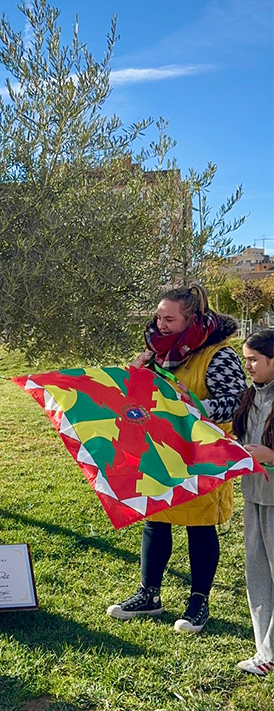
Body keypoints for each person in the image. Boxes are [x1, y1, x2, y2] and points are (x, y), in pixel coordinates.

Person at [106, 284, 247, 633]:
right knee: (156, 517)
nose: (161, 324)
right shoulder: (157, 351)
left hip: (203, 453)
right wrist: (134, 378)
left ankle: (198, 603)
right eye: (158, 317)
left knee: (200, 524)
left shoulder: (219, 354)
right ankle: (149, 595)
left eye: (169, 319)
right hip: (162, 450)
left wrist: (194, 405)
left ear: (192, 320)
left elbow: (237, 402)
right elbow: (142, 400)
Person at [233, 329, 274, 677]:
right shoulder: (249, 396)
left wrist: (270, 456)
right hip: (254, 496)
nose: (248, 366)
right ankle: (266, 651)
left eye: (254, 360)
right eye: (246, 359)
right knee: (258, 575)